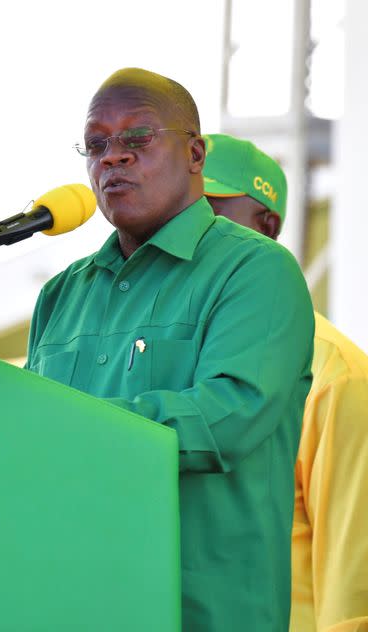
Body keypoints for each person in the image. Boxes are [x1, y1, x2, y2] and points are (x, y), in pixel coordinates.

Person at [25, 68, 314, 632]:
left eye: (138, 138)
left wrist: (56, 429)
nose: (113, 158)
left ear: (196, 155)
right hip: (67, 603)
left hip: (201, 612)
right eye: (97, 144)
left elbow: (228, 415)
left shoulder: (255, 270)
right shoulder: (61, 295)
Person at [203, 133, 368, 632]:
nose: (187, 233)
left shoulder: (335, 372)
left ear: (266, 225)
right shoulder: (169, 357)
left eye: (209, 212)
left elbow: (352, 597)